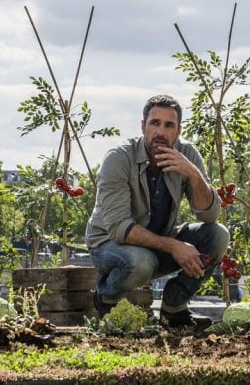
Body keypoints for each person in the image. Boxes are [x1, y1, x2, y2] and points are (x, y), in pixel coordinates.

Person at [85, 94, 229, 328]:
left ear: (178, 130)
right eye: (155, 123)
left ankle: (174, 308)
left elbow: (209, 215)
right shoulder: (118, 159)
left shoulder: (188, 156)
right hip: (109, 245)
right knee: (142, 261)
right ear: (143, 126)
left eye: (169, 125)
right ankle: (106, 298)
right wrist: (175, 246)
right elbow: (120, 228)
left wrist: (193, 174)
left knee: (217, 235)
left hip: (156, 244)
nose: (160, 132)